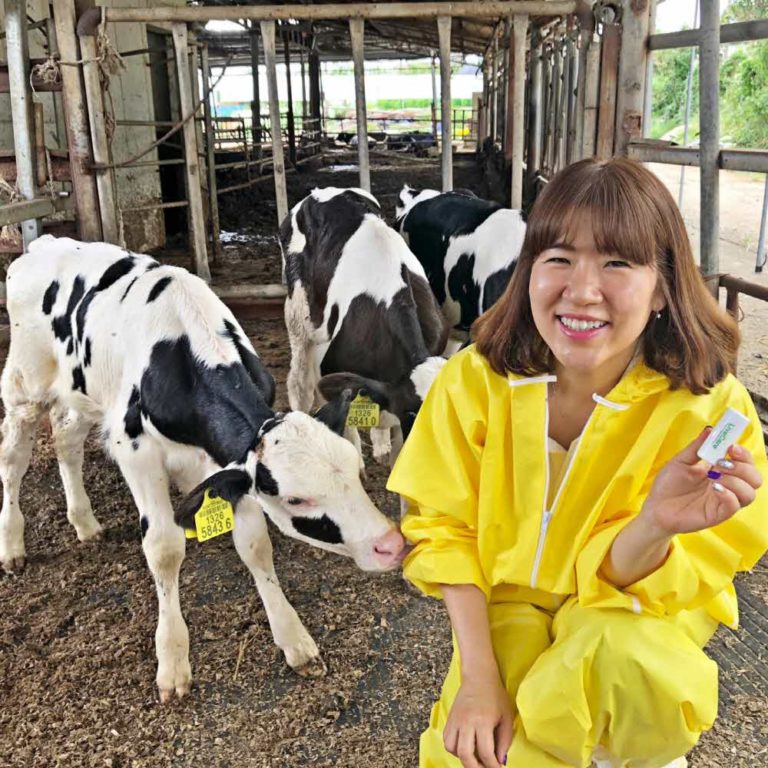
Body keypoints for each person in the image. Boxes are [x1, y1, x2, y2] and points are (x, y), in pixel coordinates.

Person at [387, 157, 768, 768]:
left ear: (663, 287)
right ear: (528, 271)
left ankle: (626, 750)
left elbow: (683, 574)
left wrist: (654, 525)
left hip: (634, 612)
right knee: (482, 751)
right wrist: (479, 681)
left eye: (617, 263)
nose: (582, 290)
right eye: (559, 258)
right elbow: (443, 528)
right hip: (510, 603)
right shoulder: (473, 383)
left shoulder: (712, 412)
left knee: (619, 657)